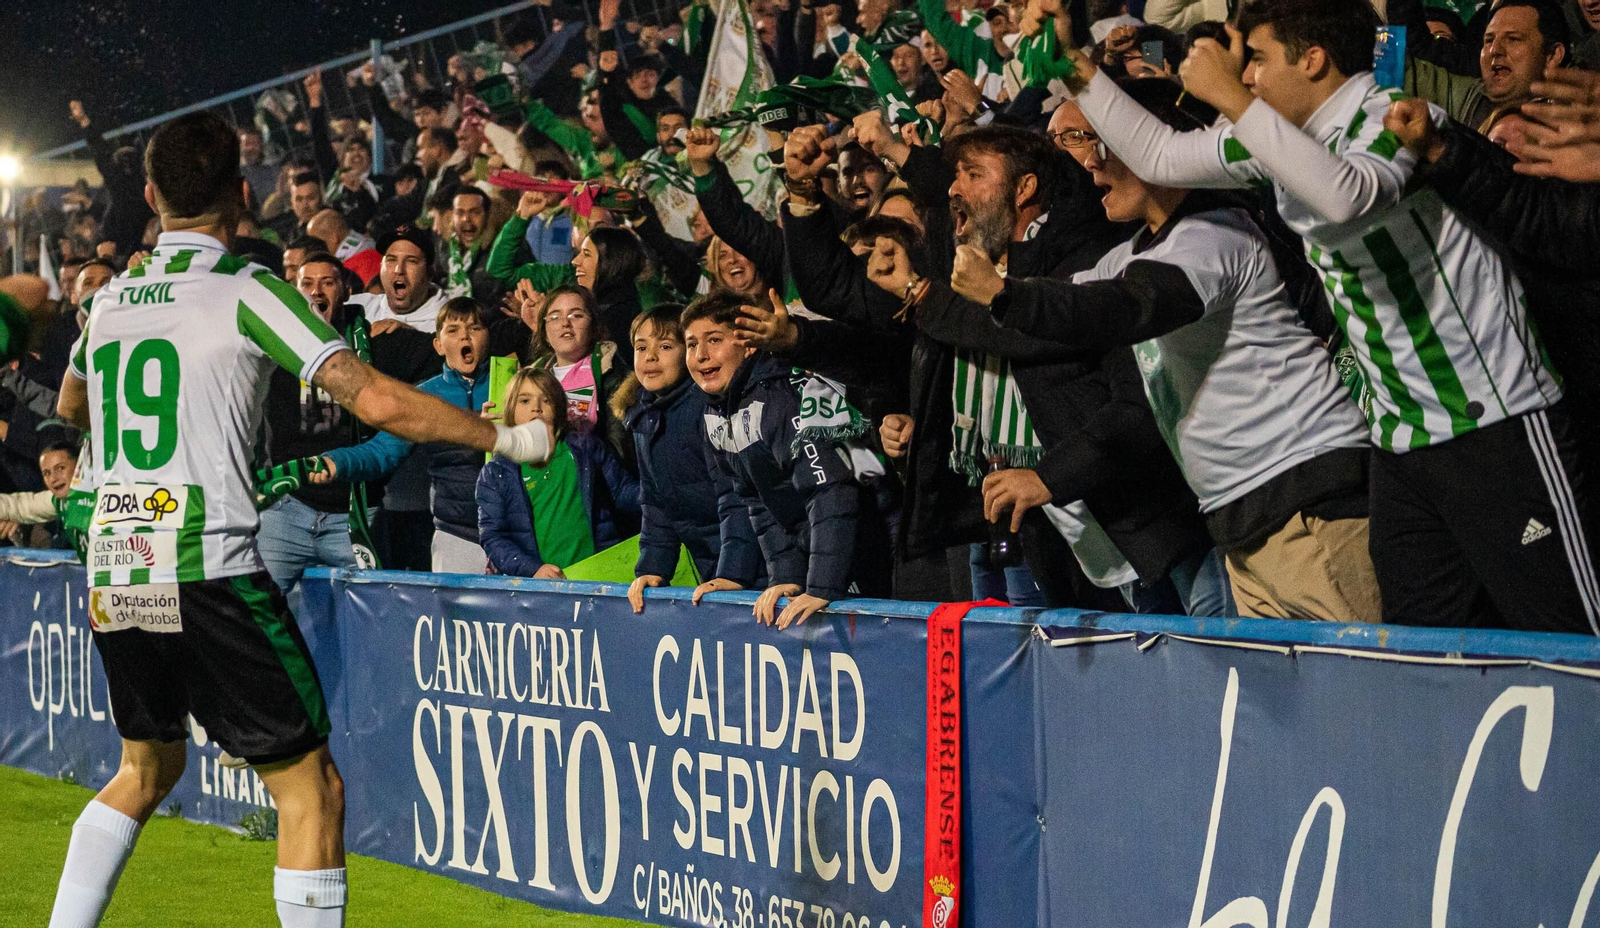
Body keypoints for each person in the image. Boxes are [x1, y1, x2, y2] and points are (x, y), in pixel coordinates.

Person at [46, 112, 552, 928]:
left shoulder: (106, 302)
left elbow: (73, 403)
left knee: (144, 767)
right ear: (243, 201)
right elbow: (378, 399)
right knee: (310, 788)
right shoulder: (247, 290)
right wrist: (508, 435)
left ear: (148, 196)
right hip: (202, 559)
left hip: (118, 559)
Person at [1058, 0, 1595, 633]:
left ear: (1313, 59)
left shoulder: (1390, 117)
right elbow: (1160, 158)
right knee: (1421, 654)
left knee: (1570, 638)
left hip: (1494, 419)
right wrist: (1076, 65)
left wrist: (1233, 98)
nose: (1249, 76)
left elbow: (1344, 195)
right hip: (1402, 439)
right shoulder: (1285, 141)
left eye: (1257, 60)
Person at [964, 81, 1380, 621]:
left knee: (1360, 691)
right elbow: (1074, 298)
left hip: (1307, 502)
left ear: (1157, 149)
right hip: (1244, 521)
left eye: (1106, 149)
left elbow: (1124, 307)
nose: (1092, 166)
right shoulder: (1134, 252)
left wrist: (1005, 296)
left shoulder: (1215, 233)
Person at [683, 291, 888, 628]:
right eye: (691, 344)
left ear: (748, 344)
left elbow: (829, 490)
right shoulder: (716, 411)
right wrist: (785, 577)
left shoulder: (783, 395)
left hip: (872, 541)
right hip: (832, 548)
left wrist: (822, 585)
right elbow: (757, 501)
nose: (701, 355)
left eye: (714, 340)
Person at [256, 252, 438, 597]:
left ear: (346, 291)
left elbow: (445, 348)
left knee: (379, 613)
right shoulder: (271, 347)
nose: (316, 291)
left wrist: (410, 329)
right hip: (287, 510)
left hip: (355, 516)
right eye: (307, 283)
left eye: (327, 282)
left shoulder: (375, 344)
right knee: (260, 618)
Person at [314, 299, 502, 574]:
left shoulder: (514, 386)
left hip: (514, 538)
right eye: (453, 330)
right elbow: (381, 451)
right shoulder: (424, 397)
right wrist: (335, 462)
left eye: (474, 328)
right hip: (456, 536)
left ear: (488, 337)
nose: (464, 336)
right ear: (437, 345)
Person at [619, 304, 764, 612]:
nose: (650, 357)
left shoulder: (709, 407)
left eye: (666, 346)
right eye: (641, 347)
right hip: (713, 569)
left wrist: (733, 573)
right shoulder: (643, 419)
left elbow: (737, 496)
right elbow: (656, 504)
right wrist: (652, 569)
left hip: (759, 565)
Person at [477, 368, 640, 577]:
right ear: (510, 409)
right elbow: (494, 537)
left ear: (560, 406)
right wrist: (532, 569)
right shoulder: (496, 472)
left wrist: (660, 497)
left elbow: (621, 490)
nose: (536, 408)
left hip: (598, 575)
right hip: (542, 589)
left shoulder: (586, 448)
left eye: (547, 400)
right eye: (525, 401)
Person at [525, 286, 632, 463]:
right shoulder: (531, 378)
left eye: (576, 315)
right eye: (555, 317)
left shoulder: (611, 373)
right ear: (544, 331)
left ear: (594, 326)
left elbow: (619, 448)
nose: (565, 323)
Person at [347, 225, 450, 332]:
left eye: (411, 261)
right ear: (381, 267)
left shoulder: (451, 322)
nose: (398, 270)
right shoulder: (357, 308)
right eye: (391, 260)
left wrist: (412, 337)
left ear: (429, 273)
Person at [435, 186, 501, 303]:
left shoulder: (502, 248)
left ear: (487, 215)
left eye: (475, 212)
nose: (466, 219)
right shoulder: (444, 247)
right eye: (460, 213)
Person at [305, 209, 381, 289]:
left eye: (318, 242)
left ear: (334, 237)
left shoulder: (366, 260)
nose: (316, 248)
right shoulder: (367, 245)